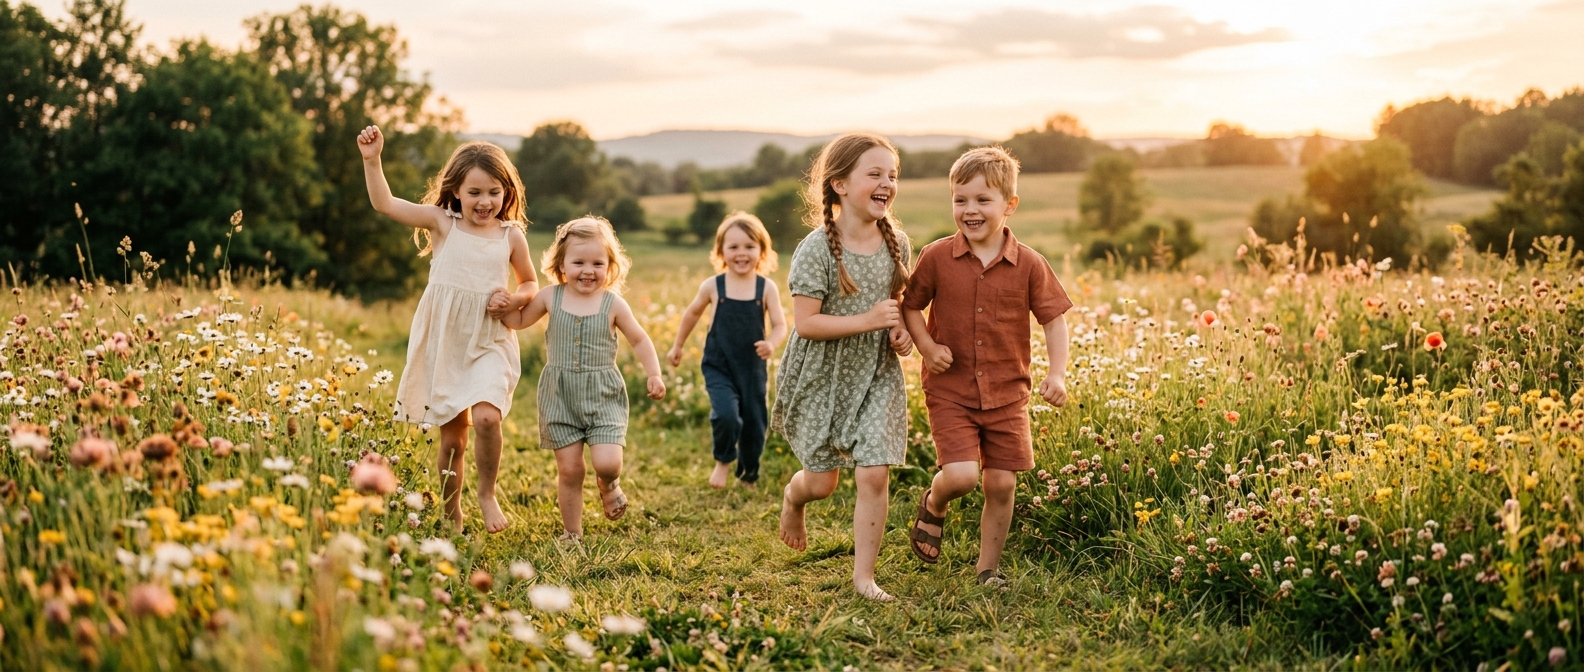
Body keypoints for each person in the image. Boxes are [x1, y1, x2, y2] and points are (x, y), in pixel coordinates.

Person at [901, 146, 1072, 586]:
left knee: (1001, 484)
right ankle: (935, 503)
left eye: (983, 200)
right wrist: (925, 346)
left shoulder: (1030, 264)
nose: (970, 210)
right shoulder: (936, 256)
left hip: (1007, 394)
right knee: (960, 477)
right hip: (950, 389)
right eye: (960, 200)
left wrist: (1057, 374)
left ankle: (987, 570)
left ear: (1009, 205)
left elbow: (1054, 320)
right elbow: (911, 307)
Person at [358, 126, 536, 534]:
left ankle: (487, 494)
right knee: (453, 440)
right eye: (474, 192)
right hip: (447, 345)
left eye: (494, 191)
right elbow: (385, 204)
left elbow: (529, 282)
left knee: (489, 418)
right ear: (455, 191)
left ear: (507, 192)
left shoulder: (511, 236)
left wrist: (515, 299)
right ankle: (450, 509)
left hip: (489, 339)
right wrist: (372, 160)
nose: (485, 201)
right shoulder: (443, 223)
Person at [771, 133, 913, 602]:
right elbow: (806, 325)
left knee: (874, 472)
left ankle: (864, 577)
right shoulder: (816, 250)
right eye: (874, 174)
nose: (886, 183)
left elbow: (897, 308)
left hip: (874, 372)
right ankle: (794, 500)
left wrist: (901, 332)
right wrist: (868, 319)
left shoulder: (898, 244)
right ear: (840, 184)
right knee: (821, 482)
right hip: (822, 375)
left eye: (892, 175)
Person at [490, 217, 665, 541]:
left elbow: (639, 339)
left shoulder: (613, 303)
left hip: (603, 395)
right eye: (579, 262)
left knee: (608, 462)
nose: (588, 270)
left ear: (610, 265)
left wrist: (653, 373)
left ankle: (609, 484)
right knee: (570, 470)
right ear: (561, 264)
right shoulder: (549, 297)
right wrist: (505, 304)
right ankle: (572, 532)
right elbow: (518, 320)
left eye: (597, 263)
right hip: (560, 396)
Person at [667, 213, 788, 489]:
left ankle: (749, 474)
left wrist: (771, 343)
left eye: (749, 246)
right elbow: (691, 314)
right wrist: (678, 346)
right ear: (721, 251)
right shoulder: (713, 286)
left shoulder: (765, 288)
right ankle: (723, 461)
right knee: (726, 415)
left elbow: (781, 325)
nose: (741, 253)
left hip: (752, 369)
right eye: (733, 247)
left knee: (755, 424)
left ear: (761, 250)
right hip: (719, 365)